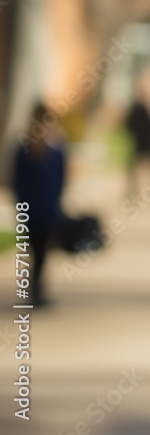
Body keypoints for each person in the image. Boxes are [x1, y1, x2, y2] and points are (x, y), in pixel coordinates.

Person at [12, 101, 67, 307]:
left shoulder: (55, 148)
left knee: (42, 250)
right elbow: (17, 179)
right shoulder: (25, 149)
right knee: (34, 250)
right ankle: (34, 288)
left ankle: (36, 287)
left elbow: (61, 178)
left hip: (46, 208)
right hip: (32, 209)